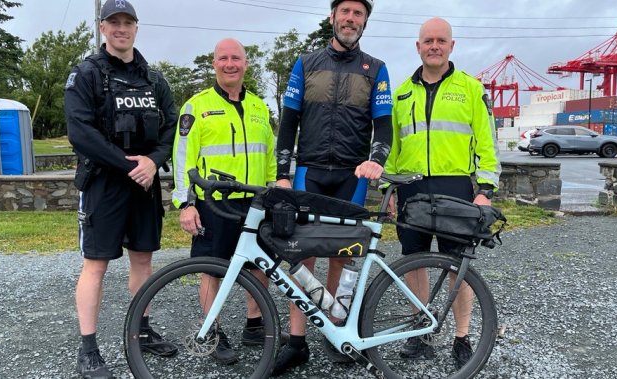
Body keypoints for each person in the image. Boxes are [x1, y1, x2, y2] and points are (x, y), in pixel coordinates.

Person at [272, 0, 393, 375]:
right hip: (309, 172)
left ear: (364, 22)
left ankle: (335, 328)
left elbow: (384, 125)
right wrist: (282, 173)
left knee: (344, 254)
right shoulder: (305, 64)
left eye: (358, 14)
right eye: (346, 12)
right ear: (333, 18)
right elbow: (288, 122)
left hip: (351, 176)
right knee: (300, 255)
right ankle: (297, 341)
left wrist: (377, 158)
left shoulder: (376, 69)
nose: (351, 19)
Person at [64, 1, 178, 378]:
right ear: (102, 27)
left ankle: (141, 332)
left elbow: (171, 125)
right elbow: (81, 133)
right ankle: (88, 349)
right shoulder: (86, 74)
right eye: (114, 22)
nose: (121, 28)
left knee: (143, 260)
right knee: (95, 264)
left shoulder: (153, 78)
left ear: (136, 28)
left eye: (127, 22)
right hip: (104, 183)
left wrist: (153, 160)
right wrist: (128, 164)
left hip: (144, 183)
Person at [384, 17, 500, 370]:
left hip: (455, 188)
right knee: (413, 261)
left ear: (452, 46)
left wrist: (486, 190)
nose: (434, 46)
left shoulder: (470, 88)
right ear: (417, 47)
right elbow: (393, 145)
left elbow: (487, 141)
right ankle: (420, 331)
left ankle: (461, 337)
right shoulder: (402, 93)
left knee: (456, 265)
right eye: (427, 41)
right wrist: (388, 189)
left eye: (441, 40)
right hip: (412, 188)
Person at [171, 38, 279, 365]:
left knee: (260, 266)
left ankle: (255, 326)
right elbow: (181, 157)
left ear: (246, 64)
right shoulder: (196, 106)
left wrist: (274, 192)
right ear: (214, 64)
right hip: (214, 203)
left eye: (236, 58)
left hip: (256, 204)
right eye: (223, 58)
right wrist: (185, 203)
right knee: (212, 268)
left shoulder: (260, 107)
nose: (230, 63)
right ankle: (212, 332)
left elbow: (270, 156)